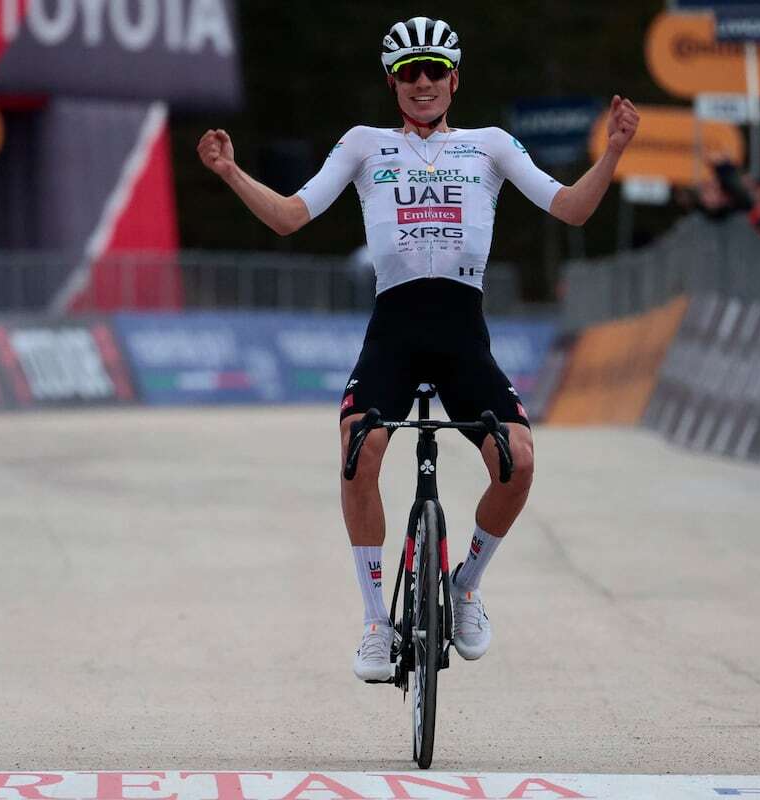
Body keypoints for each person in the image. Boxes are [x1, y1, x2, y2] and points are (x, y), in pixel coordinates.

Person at [197, 15, 639, 682]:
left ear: (455, 80)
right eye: (411, 73)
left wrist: (612, 153)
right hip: (395, 333)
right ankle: (376, 619)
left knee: (517, 461)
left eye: (435, 71)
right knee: (358, 447)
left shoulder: (489, 146)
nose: (423, 83)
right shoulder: (364, 145)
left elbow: (571, 209)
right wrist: (231, 172)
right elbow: (291, 215)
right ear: (394, 83)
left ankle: (465, 586)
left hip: (463, 334)